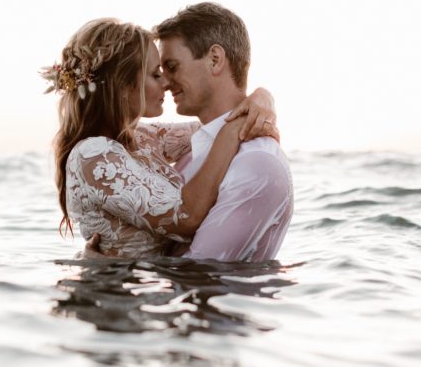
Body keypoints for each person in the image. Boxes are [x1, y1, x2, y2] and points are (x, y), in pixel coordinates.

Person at [43, 18, 278, 258]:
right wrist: (232, 132)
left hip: (154, 288)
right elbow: (187, 216)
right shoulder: (92, 155)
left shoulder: (142, 138)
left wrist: (262, 97)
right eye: (156, 75)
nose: (166, 83)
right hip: (114, 293)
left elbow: (215, 124)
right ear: (123, 86)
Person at [155, 2, 293, 262]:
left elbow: (201, 271)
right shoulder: (193, 150)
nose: (164, 83)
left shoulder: (257, 164)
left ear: (215, 59)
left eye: (172, 67)